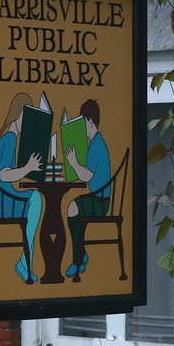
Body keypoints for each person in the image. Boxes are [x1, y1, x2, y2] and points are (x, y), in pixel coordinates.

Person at [0, 92, 44, 284]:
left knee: (34, 197)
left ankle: (25, 261)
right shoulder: (10, 137)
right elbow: (3, 174)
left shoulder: (7, 136)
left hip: (3, 197)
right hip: (5, 201)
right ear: (18, 114)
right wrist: (28, 167)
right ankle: (25, 263)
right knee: (35, 197)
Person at [63, 99, 111, 278]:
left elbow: (87, 176)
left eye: (83, 122)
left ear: (90, 121)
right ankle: (80, 255)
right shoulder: (95, 142)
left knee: (73, 207)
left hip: (101, 201)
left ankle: (78, 259)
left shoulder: (97, 144)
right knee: (76, 210)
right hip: (97, 197)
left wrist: (74, 163)